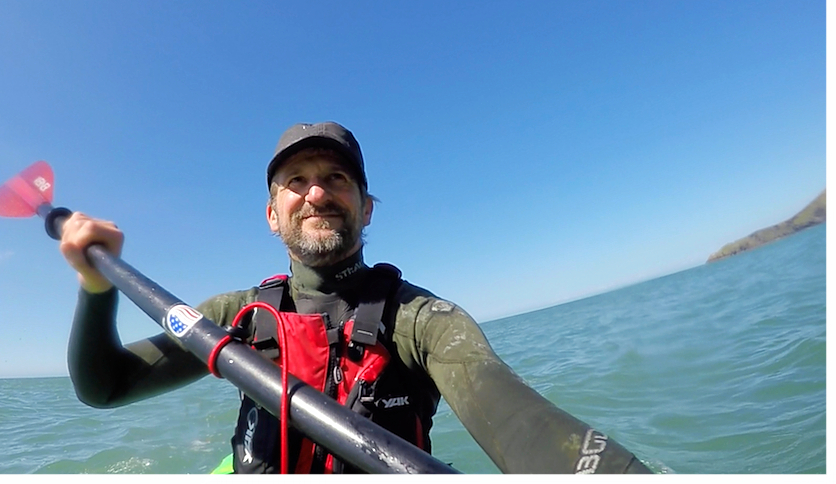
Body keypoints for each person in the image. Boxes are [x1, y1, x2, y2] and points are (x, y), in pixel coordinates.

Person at [59, 121, 651, 474]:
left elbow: (519, 418)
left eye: (337, 178)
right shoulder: (229, 315)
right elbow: (103, 386)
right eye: (297, 181)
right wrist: (94, 286)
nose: (317, 192)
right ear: (272, 214)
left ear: (366, 208)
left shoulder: (423, 322)